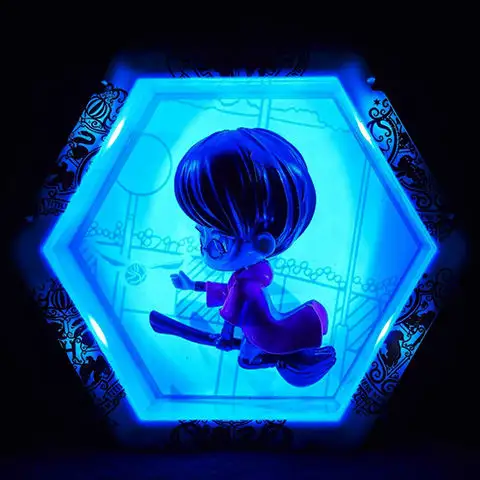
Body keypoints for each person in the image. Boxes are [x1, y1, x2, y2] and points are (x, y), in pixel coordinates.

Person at [150, 128, 336, 387]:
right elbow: (228, 294)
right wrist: (192, 285)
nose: (204, 250)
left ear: (262, 243)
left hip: (262, 335)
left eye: (218, 243)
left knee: (245, 361)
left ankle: (272, 359)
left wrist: (225, 338)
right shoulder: (249, 278)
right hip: (260, 327)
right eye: (201, 235)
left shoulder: (248, 286)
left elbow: (231, 315)